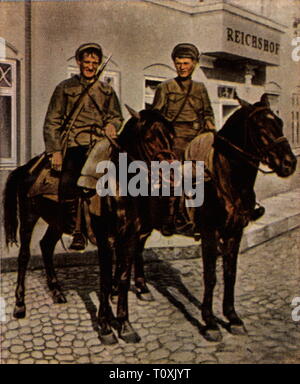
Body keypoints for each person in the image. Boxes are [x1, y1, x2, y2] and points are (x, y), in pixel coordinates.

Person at [43, 42, 123, 250]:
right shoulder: (65, 88)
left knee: (125, 177)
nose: (90, 66)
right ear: (79, 62)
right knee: (69, 182)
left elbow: (116, 116)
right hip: (75, 143)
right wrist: (55, 151)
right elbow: (52, 121)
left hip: (101, 145)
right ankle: (75, 229)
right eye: (86, 62)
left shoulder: (106, 91)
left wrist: (112, 126)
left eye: (94, 63)